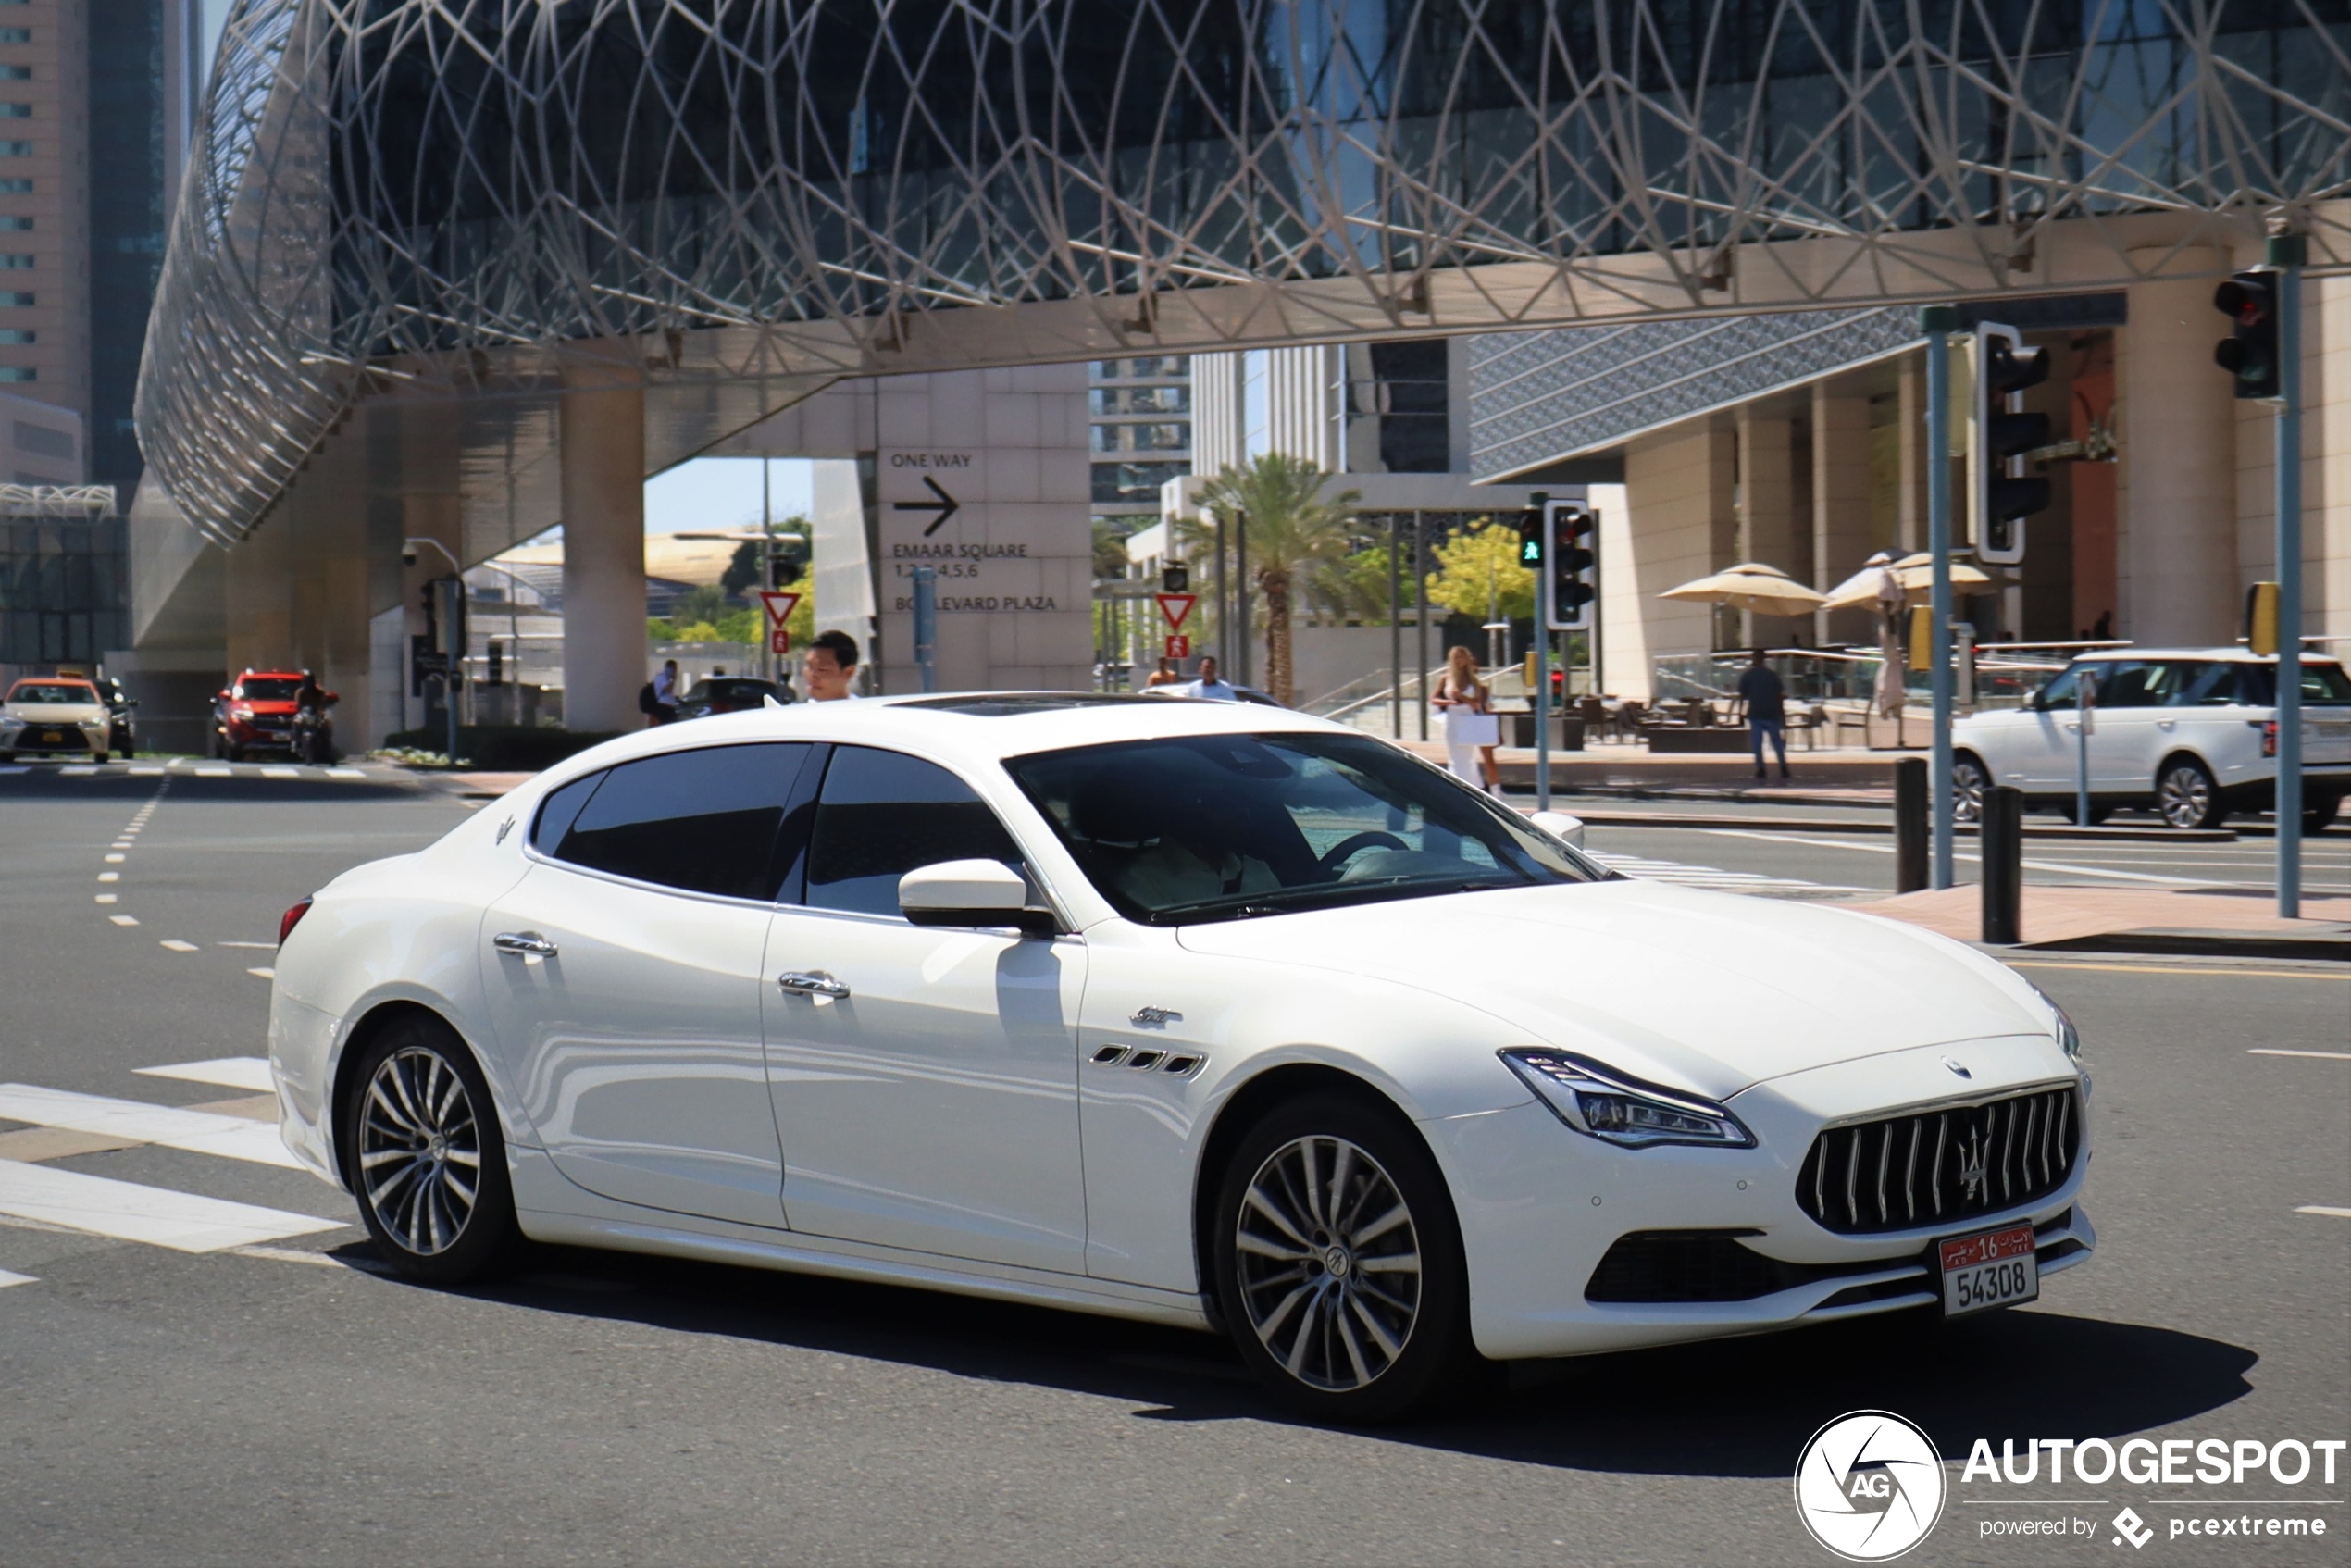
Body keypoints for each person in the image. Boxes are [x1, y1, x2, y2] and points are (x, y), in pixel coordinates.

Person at [1431, 645, 1501, 792]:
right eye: (1456, 657)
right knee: (1455, 755)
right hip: (1452, 717)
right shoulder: (1446, 678)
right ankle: (1457, 788)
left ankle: (1476, 788)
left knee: (1468, 756)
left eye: (1462, 656)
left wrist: (1461, 697)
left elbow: (1477, 704)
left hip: (1469, 718)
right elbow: (1433, 699)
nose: (1459, 660)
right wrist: (1449, 702)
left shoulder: (1474, 681)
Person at [1737, 646, 1791, 779]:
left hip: (1756, 713)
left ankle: (1761, 768)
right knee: (1777, 742)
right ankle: (1783, 766)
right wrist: (1782, 714)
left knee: (1757, 743)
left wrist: (1740, 714)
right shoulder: (1772, 676)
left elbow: (1743, 697)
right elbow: (1780, 697)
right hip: (1772, 713)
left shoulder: (1748, 676)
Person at [802, 629, 862, 701]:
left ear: (848, 672)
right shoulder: (796, 710)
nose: (812, 675)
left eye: (822, 669)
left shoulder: (863, 710)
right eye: (809, 667)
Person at [652, 659, 681, 723]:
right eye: (672, 668)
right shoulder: (661, 677)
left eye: (675, 668)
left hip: (671, 706)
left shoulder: (670, 678)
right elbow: (668, 689)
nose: (674, 670)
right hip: (663, 706)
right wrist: (672, 679)